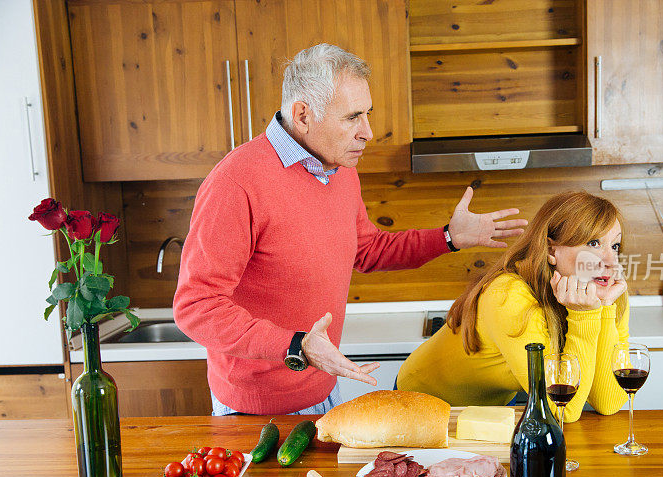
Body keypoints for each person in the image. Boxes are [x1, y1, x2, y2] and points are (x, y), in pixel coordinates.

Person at [173, 44, 527, 416]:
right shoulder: (237, 183)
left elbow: (368, 250)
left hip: (324, 388)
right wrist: (296, 345)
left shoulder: (338, 169)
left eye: (367, 114)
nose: (368, 132)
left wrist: (448, 238)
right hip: (253, 409)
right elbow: (196, 306)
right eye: (352, 117)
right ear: (303, 115)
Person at [397, 191, 629, 422]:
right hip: (426, 400)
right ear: (551, 250)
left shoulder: (606, 292)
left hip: (492, 406)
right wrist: (584, 317)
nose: (610, 262)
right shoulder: (508, 295)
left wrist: (605, 308)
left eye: (615, 246)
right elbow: (563, 411)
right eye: (594, 243)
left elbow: (607, 403)